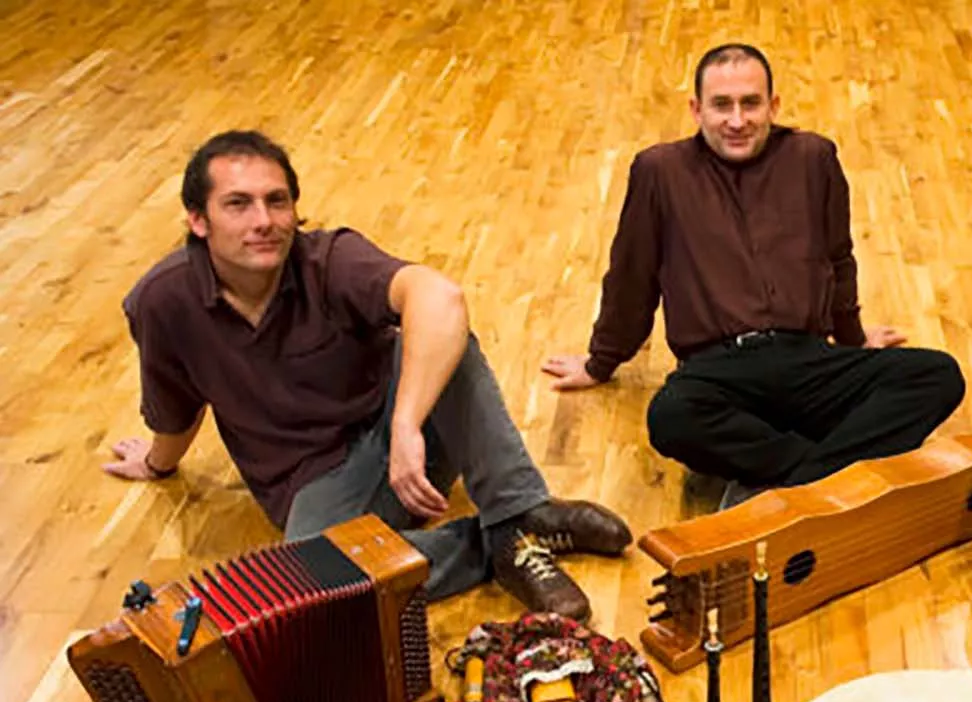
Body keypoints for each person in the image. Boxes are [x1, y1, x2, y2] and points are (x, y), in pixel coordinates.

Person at [105, 130, 631, 621]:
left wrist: (405, 426)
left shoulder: (327, 258)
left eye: (277, 201)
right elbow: (176, 404)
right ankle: (501, 542)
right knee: (310, 582)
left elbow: (440, 296)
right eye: (238, 204)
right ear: (199, 220)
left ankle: (522, 504)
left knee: (442, 336)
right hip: (315, 481)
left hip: (412, 444)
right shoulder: (162, 301)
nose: (263, 220)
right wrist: (157, 463)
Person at [542, 43, 966, 508]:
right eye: (722, 105)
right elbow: (631, 274)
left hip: (806, 359)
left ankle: (794, 480)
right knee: (671, 417)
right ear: (696, 109)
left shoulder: (814, 158)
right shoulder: (659, 171)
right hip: (716, 370)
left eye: (751, 103)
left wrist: (852, 339)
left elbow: (838, 258)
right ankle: (832, 477)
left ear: (773, 105)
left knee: (938, 376)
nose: (737, 120)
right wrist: (601, 361)